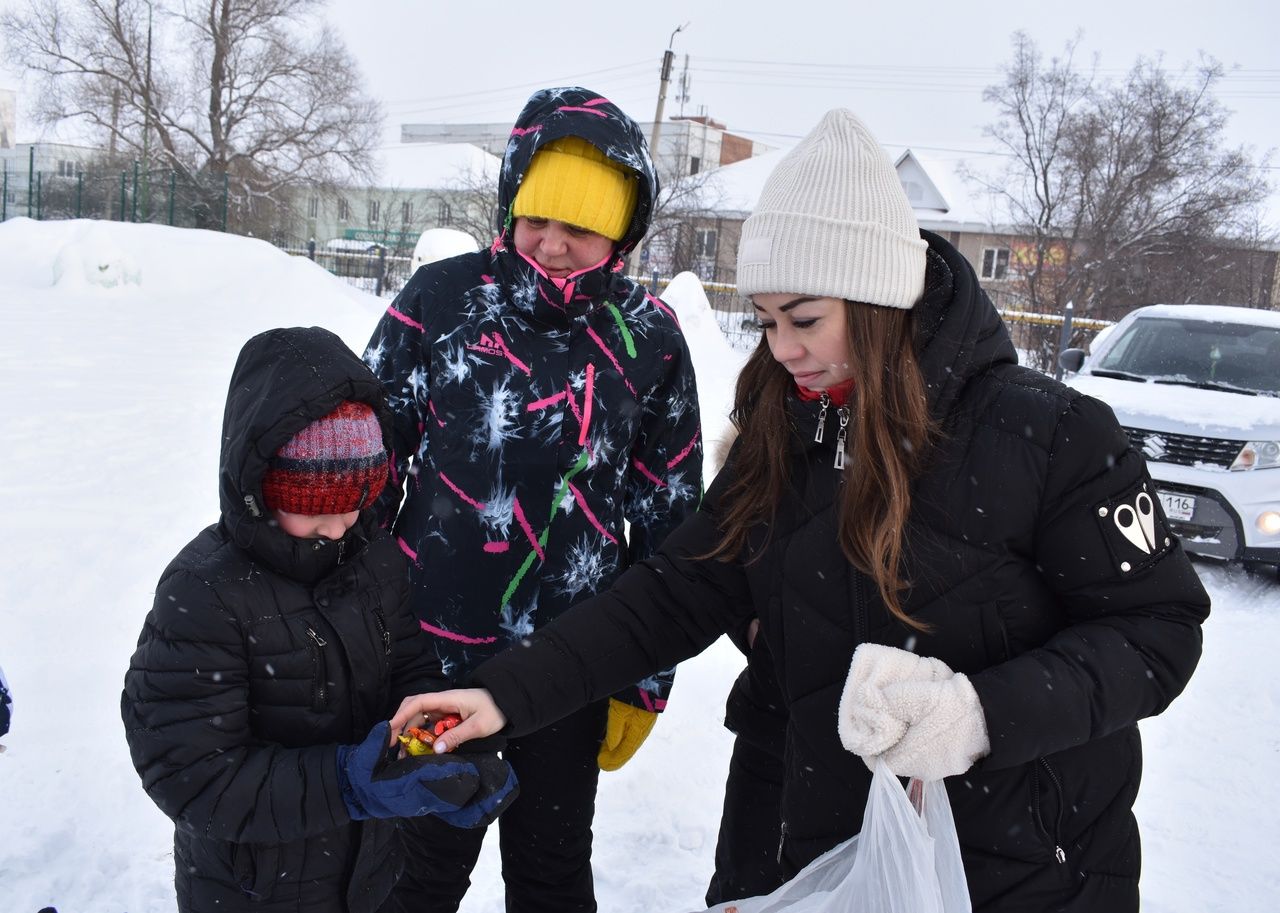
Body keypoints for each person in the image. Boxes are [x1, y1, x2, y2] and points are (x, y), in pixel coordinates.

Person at [388, 109, 1212, 913]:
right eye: (768, 320)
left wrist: (979, 714)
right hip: (801, 856)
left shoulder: (1049, 435)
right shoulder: (785, 430)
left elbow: (1158, 630)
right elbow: (677, 590)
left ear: (880, 298)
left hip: (1012, 867)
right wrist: (503, 695)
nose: (782, 349)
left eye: (806, 319)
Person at [362, 86, 703, 913]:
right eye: (535, 218)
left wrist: (644, 678)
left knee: (550, 871)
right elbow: (368, 467)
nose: (550, 243)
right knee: (418, 871)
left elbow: (670, 523)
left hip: (569, 665)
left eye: (578, 226)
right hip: (431, 657)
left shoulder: (647, 338)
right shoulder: (440, 302)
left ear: (620, 232)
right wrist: (353, 625)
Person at [120, 326, 517, 913]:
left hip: (366, 875)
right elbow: (194, 775)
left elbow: (407, 662)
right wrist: (346, 783)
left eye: (354, 503)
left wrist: (439, 736)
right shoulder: (206, 592)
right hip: (253, 890)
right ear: (260, 489)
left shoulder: (371, 555)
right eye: (314, 510)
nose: (337, 528)